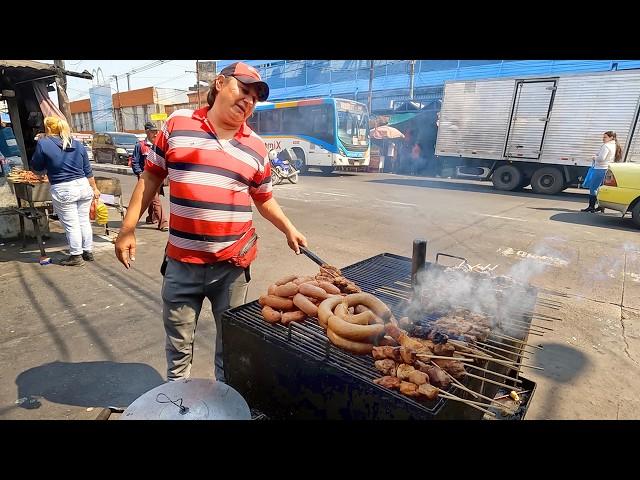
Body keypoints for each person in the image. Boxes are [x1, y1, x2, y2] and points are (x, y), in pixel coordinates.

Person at [115, 62, 308, 383]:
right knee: (178, 351)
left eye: (255, 97)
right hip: (181, 265)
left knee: (229, 348)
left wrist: (289, 228)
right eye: (243, 90)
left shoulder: (256, 147)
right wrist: (127, 228)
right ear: (219, 84)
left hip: (233, 267)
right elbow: (151, 177)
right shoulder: (178, 124)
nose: (249, 100)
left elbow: (264, 198)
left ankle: (224, 407)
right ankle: (178, 405)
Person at [31, 116, 100, 266]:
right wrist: (94, 188)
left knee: (72, 225)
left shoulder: (44, 143)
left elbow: (36, 167)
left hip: (64, 188)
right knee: (84, 221)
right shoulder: (77, 143)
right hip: (83, 186)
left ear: (48, 128)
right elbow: (87, 170)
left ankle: (76, 256)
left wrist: (44, 169)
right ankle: (88, 252)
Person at [131, 122, 168, 231]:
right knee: (155, 199)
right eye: (153, 132)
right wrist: (139, 173)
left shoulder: (158, 144)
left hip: (158, 177)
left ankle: (151, 217)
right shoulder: (140, 146)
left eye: (157, 131)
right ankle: (163, 223)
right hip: (147, 178)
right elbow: (135, 161)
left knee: (152, 198)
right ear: (147, 132)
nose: (155, 134)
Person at [581, 130, 622, 213]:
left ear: (611, 137)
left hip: (600, 169)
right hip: (607, 169)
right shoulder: (614, 145)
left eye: (605, 137)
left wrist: (594, 157)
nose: (603, 139)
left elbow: (601, 159)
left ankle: (591, 207)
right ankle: (601, 207)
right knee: (601, 189)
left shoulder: (606, 146)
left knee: (593, 188)